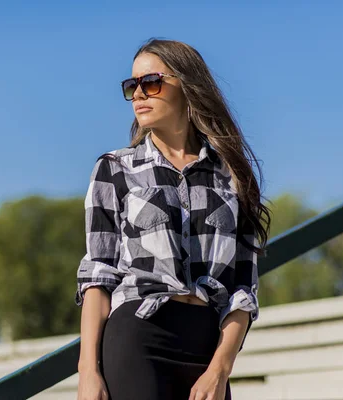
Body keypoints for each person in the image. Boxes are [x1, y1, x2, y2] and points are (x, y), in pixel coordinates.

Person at [75, 38, 270, 400]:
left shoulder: (231, 176)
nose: (138, 95)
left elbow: (243, 291)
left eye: (151, 82)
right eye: (131, 86)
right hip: (138, 336)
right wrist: (88, 370)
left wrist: (220, 370)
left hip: (208, 347)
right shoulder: (115, 169)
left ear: (186, 85)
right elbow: (98, 276)